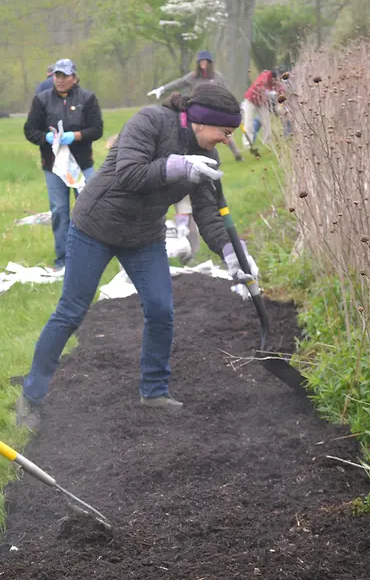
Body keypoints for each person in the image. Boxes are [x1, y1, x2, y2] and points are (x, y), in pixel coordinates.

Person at [16, 81, 259, 430]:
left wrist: (234, 256)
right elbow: (129, 174)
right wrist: (176, 166)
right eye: (224, 131)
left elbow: (208, 213)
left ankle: (154, 391)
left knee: (161, 308)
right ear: (201, 121)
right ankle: (31, 397)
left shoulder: (208, 157)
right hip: (95, 227)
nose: (226, 139)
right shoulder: (150, 121)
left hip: (143, 235)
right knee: (71, 311)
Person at [23, 58, 104, 271]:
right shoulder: (41, 100)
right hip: (54, 166)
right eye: (57, 76)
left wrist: (75, 136)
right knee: (59, 211)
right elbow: (30, 131)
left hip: (82, 164)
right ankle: (63, 259)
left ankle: (91, 256)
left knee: (87, 209)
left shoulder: (87, 98)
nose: (59, 80)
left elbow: (97, 129)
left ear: (74, 78)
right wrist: (46, 139)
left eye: (64, 76)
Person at [147, 50, 243, 162]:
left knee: (224, 133)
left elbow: (227, 94)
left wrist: (236, 106)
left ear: (209, 62)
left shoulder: (217, 77)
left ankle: (237, 155)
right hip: (199, 113)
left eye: (205, 61)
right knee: (197, 136)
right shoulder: (194, 77)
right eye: (200, 62)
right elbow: (179, 82)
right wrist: (163, 89)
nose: (203, 64)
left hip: (216, 111)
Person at [242, 67, 281, 152]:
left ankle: (267, 142)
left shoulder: (274, 81)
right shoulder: (265, 76)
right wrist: (269, 93)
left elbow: (280, 89)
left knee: (266, 122)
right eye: (276, 80)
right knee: (248, 123)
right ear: (273, 77)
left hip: (262, 102)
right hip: (251, 100)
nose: (276, 82)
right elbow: (260, 88)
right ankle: (247, 144)